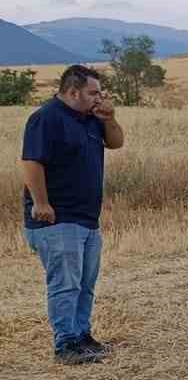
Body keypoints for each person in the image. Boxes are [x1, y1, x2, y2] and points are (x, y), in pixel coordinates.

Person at [20, 64, 124, 364]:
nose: (99, 98)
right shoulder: (45, 118)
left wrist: (110, 118)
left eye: (100, 93)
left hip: (87, 218)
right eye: (93, 93)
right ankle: (65, 344)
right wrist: (41, 203)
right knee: (65, 284)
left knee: (85, 283)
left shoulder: (92, 119)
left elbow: (116, 143)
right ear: (72, 91)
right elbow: (31, 163)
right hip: (56, 219)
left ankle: (81, 336)